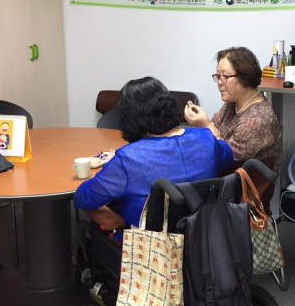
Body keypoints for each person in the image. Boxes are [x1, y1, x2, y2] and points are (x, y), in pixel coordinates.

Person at [74, 77, 233, 233]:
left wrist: (114, 164)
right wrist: (210, 128)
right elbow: (227, 157)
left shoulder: (128, 158)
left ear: (128, 118)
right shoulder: (206, 138)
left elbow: (83, 198)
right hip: (202, 237)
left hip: (146, 245)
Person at [184, 46, 282, 175]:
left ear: (245, 77)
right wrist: (204, 126)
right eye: (218, 76)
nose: (219, 82)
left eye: (225, 76)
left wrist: (204, 125)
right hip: (223, 175)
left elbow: (225, 158)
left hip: (239, 182)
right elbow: (213, 130)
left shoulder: (258, 120)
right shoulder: (233, 102)